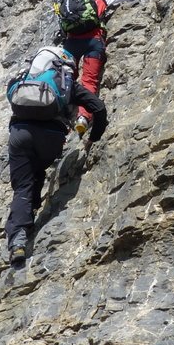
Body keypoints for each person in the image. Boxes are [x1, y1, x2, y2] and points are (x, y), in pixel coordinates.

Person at [6, 52, 108, 265]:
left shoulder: (26, 78)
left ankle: (18, 240)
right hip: (51, 139)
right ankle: (31, 212)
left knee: (23, 186)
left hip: (20, 133)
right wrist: (94, 138)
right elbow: (98, 107)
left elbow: (11, 97)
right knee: (38, 171)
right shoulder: (66, 84)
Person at [56, 0, 135, 136]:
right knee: (89, 80)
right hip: (93, 41)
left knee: (66, 79)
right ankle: (83, 118)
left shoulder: (66, 3)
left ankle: (61, 115)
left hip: (71, 44)